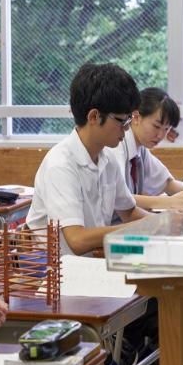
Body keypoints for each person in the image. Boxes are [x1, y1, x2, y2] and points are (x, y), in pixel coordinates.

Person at [26, 63, 150, 256]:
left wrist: (167, 224)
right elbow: (78, 240)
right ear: (94, 116)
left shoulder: (107, 158)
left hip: (91, 263)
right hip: (55, 274)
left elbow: (129, 212)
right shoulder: (60, 164)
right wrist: (143, 229)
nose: (127, 129)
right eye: (122, 121)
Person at [112, 87, 183, 210]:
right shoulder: (117, 146)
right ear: (136, 117)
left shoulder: (141, 149)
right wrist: (167, 202)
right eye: (156, 126)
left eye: (166, 129)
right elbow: (119, 197)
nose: (160, 135)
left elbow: (167, 183)